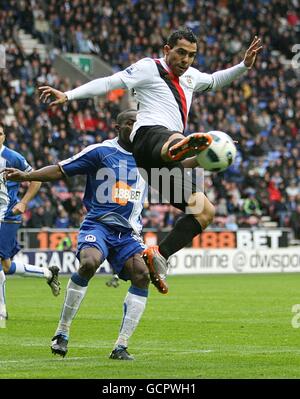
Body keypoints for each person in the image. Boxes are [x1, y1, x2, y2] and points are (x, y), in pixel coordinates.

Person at [38, 27, 262, 293]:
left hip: (158, 169)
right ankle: (182, 147)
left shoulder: (191, 77)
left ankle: (159, 256)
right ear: (167, 50)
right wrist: (69, 95)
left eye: (191, 55)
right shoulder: (148, 68)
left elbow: (214, 81)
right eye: (180, 53)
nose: (185, 60)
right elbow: (110, 82)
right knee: (174, 139)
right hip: (147, 139)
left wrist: (244, 66)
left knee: (205, 211)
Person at [4, 110, 150, 360]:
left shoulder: (149, 155)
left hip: (129, 232)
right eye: (130, 123)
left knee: (142, 275)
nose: (135, 127)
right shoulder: (101, 152)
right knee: (89, 263)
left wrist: (205, 150)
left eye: (139, 123)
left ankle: (121, 346)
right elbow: (61, 170)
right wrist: (27, 176)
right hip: (98, 226)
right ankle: (62, 331)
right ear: (117, 127)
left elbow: (179, 164)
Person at [0, 125, 60, 326]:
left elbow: (36, 179)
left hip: (7, 214)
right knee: (6, 266)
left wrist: (23, 201)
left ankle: (1, 312)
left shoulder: (13, 157)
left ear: (4, 136)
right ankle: (47, 273)